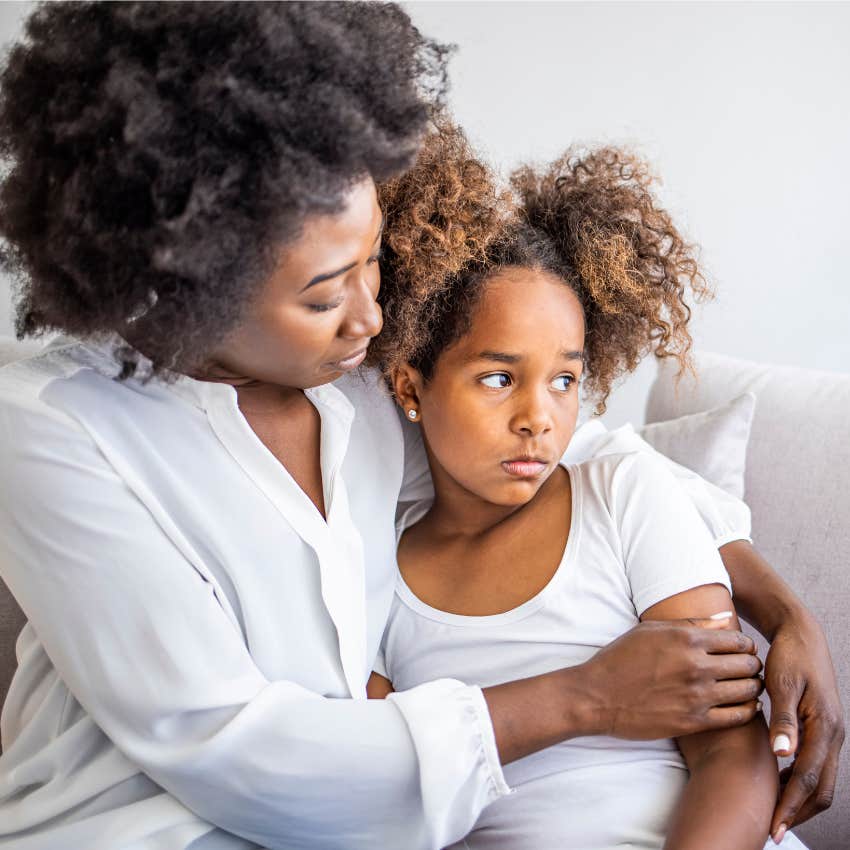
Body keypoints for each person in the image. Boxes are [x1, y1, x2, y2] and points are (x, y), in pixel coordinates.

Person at [0, 4, 840, 849]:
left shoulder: (356, 387)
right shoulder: (51, 426)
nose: (371, 314)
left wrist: (784, 615)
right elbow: (218, 741)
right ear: (183, 284)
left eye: (373, 259)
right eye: (325, 294)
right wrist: (584, 696)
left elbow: (568, 448)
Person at [366, 125, 811, 848]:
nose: (537, 418)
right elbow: (378, 792)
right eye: (498, 378)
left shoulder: (621, 492)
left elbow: (733, 752)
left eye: (565, 380)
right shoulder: (372, 567)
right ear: (411, 386)